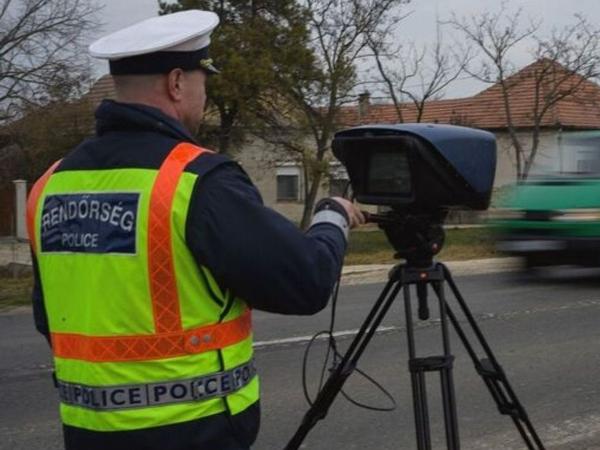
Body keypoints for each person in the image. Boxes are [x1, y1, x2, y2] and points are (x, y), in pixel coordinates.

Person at [26, 9, 364, 450]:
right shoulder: (194, 181)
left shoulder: (51, 184)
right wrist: (332, 216)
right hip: (194, 428)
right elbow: (305, 281)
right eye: (203, 79)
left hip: (87, 430)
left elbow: (48, 316)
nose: (205, 94)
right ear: (177, 83)